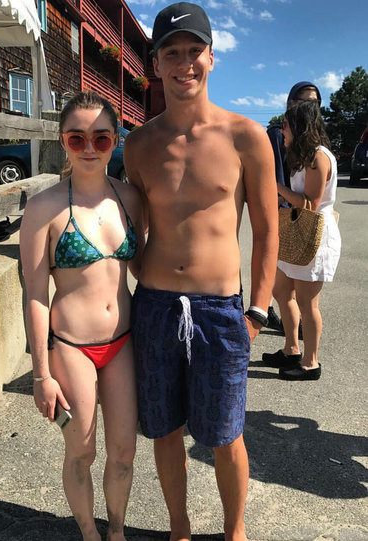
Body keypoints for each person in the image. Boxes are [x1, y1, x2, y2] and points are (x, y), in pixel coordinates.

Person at [124, 3, 278, 540]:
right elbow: (132, 230)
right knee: (164, 429)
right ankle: (179, 527)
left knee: (225, 435)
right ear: (156, 63)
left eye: (194, 51)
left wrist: (257, 312)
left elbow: (267, 231)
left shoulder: (246, 136)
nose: (184, 62)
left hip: (220, 311)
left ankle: (235, 530)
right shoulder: (139, 144)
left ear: (212, 57)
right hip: (156, 305)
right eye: (172, 52)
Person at [20, 91, 144, 541]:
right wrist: (41, 375)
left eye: (101, 138)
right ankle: (90, 533)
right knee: (82, 452)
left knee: (124, 453)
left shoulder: (130, 198)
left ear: (115, 141)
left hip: (123, 342)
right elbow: (36, 296)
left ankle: (117, 531)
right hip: (71, 347)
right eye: (77, 139)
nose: (90, 148)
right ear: (63, 141)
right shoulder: (43, 208)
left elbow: (146, 267)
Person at [263, 100, 341, 381]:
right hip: (299, 234)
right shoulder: (304, 156)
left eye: (285, 125)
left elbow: (310, 203)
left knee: (308, 304)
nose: (282, 130)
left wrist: (278, 188)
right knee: (281, 291)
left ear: (299, 127)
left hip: (314, 236)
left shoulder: (318, 157)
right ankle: (291, 348)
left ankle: (311, 363)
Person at [266, 82, 322, 332]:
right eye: (303, 101)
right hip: (285, 209)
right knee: (280, 272)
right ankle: (269, 311)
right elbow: (276, 171)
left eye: (314, 102)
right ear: (291, 103)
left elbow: (313, 199)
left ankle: (297, 332)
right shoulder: (280, 132)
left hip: (306, 215)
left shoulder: (316, 144)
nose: (309, 107)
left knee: (300, 285)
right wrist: (279, 199)